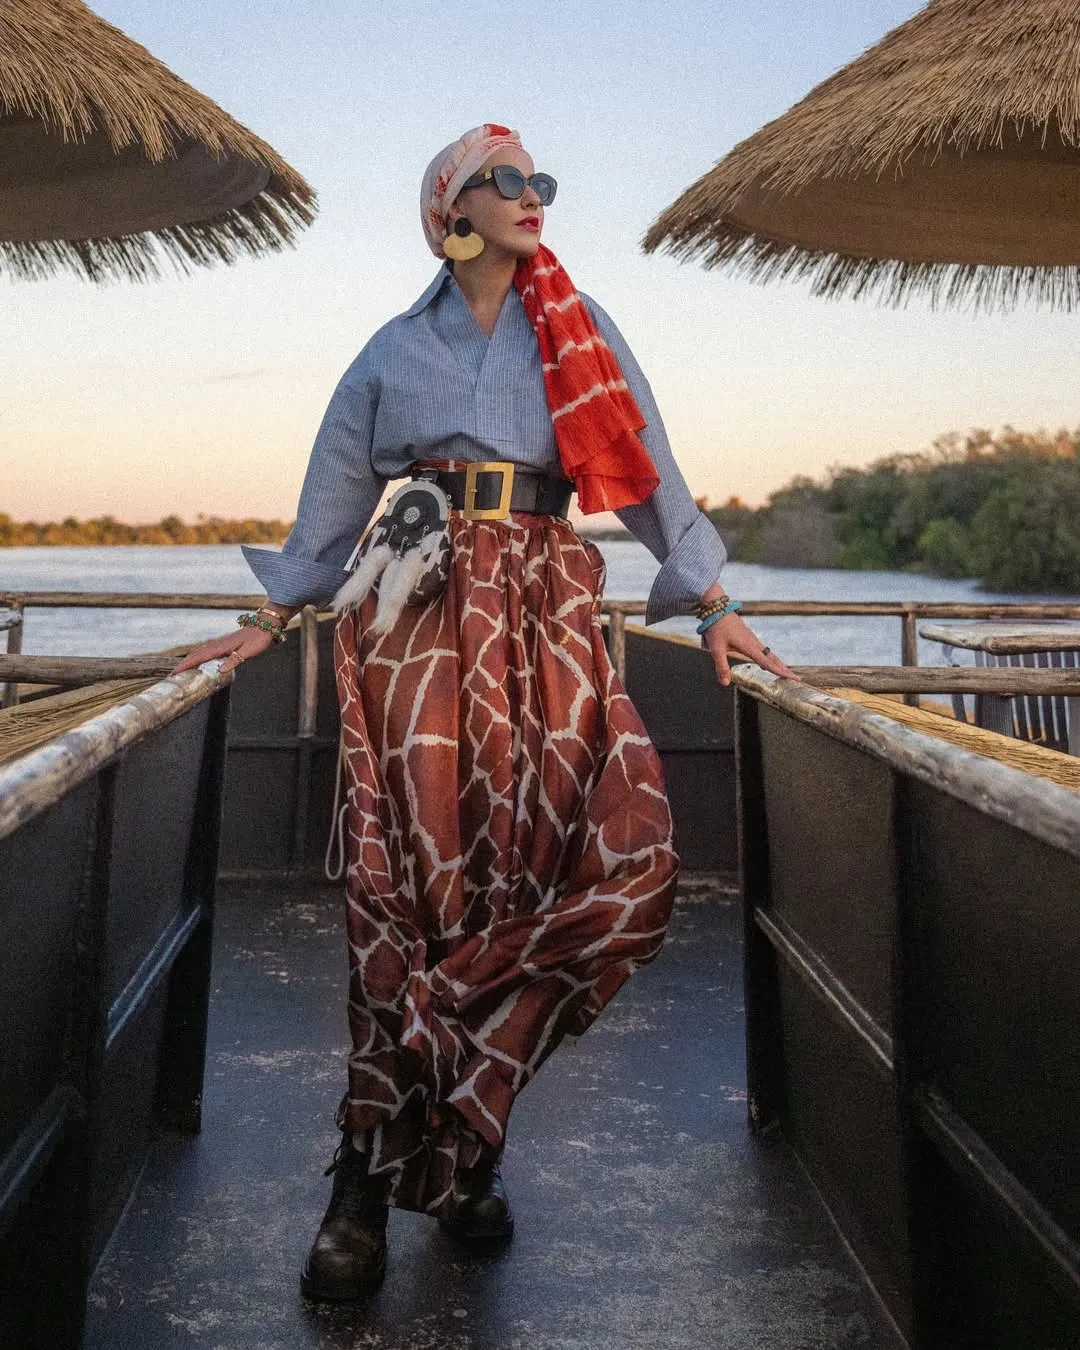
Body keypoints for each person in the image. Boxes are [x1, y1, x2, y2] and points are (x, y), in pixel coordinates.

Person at [172, 122, 799, 1303]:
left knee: (596, 873)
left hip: (549, 611)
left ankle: (467, 1128)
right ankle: (370, 1174)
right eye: (504, 179)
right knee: (408, 889)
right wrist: (266, 620)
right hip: (413, 615)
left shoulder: (583, 327)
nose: (531, 194)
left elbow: (649, 472)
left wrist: (716, 605)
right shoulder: (392, 350)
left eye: (537, 178)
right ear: (450, 211)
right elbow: (331, 505)